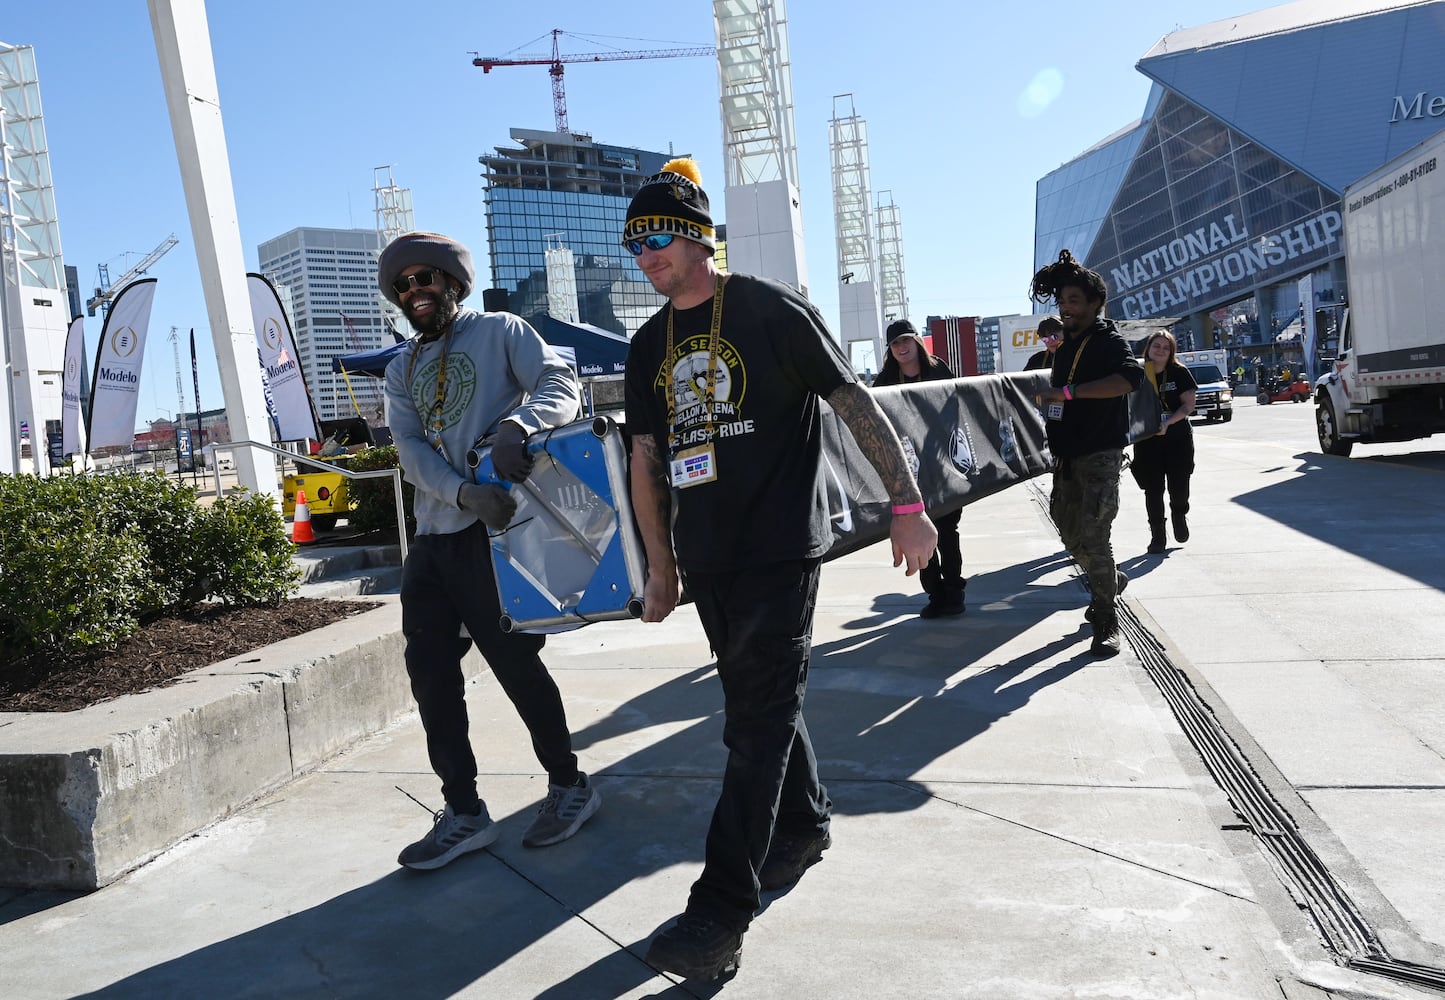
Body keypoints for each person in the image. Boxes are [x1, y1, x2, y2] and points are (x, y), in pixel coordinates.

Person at [622, 159, 937, 980]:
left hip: (778, 549)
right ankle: (803, 824)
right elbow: (646, 459)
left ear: (696, 236)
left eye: (657, 237)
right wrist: (659, 566)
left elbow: (854, 404)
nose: (644, 255)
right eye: (634, 244)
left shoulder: (769, 309)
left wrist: (905, 505)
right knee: (756, 703)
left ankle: (718, 915)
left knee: (752, 723)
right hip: (707, 557)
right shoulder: (646, 343)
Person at [379, 232, 599, 871]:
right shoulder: (402, 367)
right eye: (403, 285)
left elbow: (561, 381)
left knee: (514, 664)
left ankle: (569, 785)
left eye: (426, 278)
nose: (415, 291)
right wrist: (460, 492)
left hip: (497, 536)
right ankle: (465, 811)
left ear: (452, 280)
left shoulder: (502, 330)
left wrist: (519, 425)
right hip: (433, 540)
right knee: (430, 677)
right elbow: (410, 449)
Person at [1030, 249, 1144, 657]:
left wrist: (1070, 392)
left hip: (1101, 453)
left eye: (1074, 301)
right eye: (1062, 302)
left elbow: (1130, 378)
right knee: (1067, 528)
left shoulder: (1108, 341)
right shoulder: (1063, 349)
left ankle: (1106, 617)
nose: (1066, 309)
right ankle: (1109, 579)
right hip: (1066, 456)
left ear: (1095, 304)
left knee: (1096, 535)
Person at [872, 319, 966, 618]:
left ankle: (954, 591)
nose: (901, 348)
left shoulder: (938, 370)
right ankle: (934, 594)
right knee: (917, 533)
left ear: (916, 341)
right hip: (910, 471)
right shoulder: (886, 379)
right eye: (895, 344)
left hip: (942, 465)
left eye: (905, 341)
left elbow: (956, 410)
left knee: (947, 531)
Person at [1131, 330, 1197, 554]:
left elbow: (1188, 406)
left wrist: (1168, 423)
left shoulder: (1179, 373)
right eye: (1156, 346)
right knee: (1153, 489)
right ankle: (1157, 535)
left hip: (1177, 437)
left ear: (1171, 352)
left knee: (1179, 487)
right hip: (1147, 439)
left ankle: (1179, 513)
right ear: (1148, 349)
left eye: (1165, 347)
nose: (1160, 350)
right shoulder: (1139, 373)